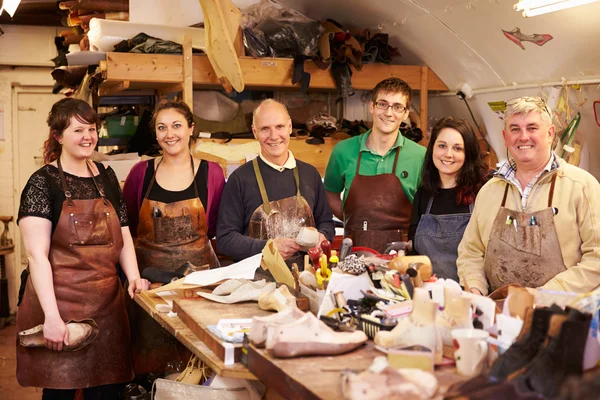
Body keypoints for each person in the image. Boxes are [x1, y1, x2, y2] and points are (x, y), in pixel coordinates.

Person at [16, 98, 149, 398]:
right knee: (60, 390)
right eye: (78, 130)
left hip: (107, 307)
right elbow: (37, 257)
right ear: (58, 136)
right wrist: (51, 317)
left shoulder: (107, 177)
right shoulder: (42, 183)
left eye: (92, 128)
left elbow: (124, 234)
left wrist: (134, 276)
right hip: (60, 307)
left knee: (108, 390)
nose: (88, 136)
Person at [457, 96, 600, 296]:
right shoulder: (489, 191)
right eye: (515, 129)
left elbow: (597, 258)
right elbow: (470, 253)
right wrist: (475, 288)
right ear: (505, 137)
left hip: (561, 314)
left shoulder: (582, 187)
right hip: (500, 311)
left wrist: (543, 295)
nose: (523, 136)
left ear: (550, 134)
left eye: (532, 128)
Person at [123, 101, 225, 375]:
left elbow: (214, 226)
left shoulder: (212, 173)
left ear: (191, 129)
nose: (170, 134)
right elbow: (128, 227)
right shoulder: (140, 174)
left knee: (195, 367)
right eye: (162, 127)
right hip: (148, 289)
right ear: (155, 135)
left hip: (197, 287)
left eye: (177, 125)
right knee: (149, 367)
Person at [216, 99, 335, 264]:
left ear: (290, 127)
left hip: (307, 277)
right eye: (265, 129)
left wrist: (323, 236)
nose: (274, 136)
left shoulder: (310, 174)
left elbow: (326, 223)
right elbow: (225, 240)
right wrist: (267, 248)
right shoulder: (239, 179)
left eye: (280, 127)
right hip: (258, 282)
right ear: (255, 132)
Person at [324, 77, 426, 253]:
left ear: (406, 113)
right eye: (383, 104)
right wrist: (350, 220)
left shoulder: (420, 156)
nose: (388, 112)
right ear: (372, 107)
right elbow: (330, 194)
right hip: (353, 252)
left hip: (401, 256)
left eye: (397, 107)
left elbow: (427, 207)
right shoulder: (342, 151)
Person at [408, 117, 489, 282]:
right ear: (432, 149)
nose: (448, 154)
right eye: (442, 146)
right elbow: (414, 253)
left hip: (472, 295)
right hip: (429, 294)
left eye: (458, 148)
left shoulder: (483, 193)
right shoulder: (423, 195)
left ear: (468, 154)